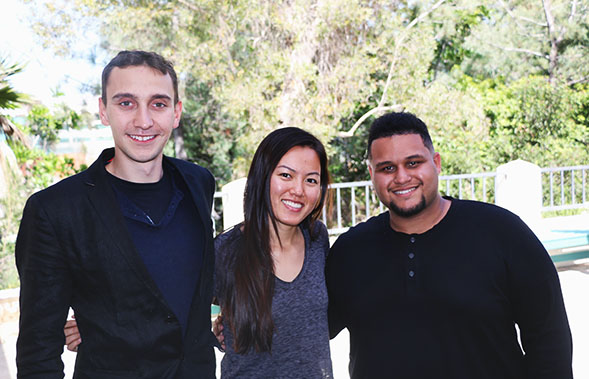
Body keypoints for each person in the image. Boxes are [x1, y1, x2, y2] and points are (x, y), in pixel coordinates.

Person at [326, 112, 573, 378]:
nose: (401, 177)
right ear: (372, 174)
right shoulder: (350, 251)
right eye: (387, 168)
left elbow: (549, 338)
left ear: (436, 163)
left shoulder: (502, 232)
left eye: (413, 163)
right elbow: (307, 329)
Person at [16, 50, 217, 378]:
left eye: (158, 103)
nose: (143, 120)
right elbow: (38, 351)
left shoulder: (198, 183)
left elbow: (180, 285)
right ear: (103, 110)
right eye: (126, 103)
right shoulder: (55, 210)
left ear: (176, 112)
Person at [213, 127, 333, 378]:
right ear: (263, 176)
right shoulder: (225, 251)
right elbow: (177, 317)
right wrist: (218, 331)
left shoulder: (317, 239)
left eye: (311, 180)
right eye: (286, 175)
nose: (298, 190)